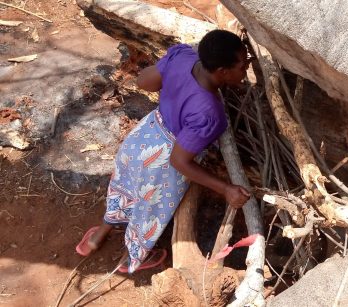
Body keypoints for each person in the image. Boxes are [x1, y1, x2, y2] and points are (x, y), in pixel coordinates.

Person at [75, 29, 252, 273]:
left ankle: (98, 236)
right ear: (222, 72)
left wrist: (169, 69)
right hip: (161, 166)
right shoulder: (209, 113)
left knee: (125, 187)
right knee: (149, 210)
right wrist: (226, 189)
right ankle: (132, 259)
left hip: (143, 138)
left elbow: (144, 82)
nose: (246, 71)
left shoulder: (183, 57)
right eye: (243, 66)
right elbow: (180, 161)